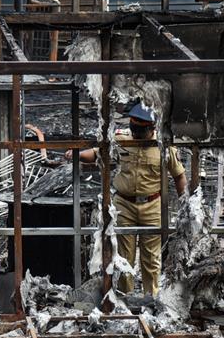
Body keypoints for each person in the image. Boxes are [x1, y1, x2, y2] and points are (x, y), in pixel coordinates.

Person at [66, 102, 188, 296]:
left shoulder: (164, 147)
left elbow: (179, 176)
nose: (136, 135)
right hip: (125, 205)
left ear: (152, 128)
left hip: (152, 205)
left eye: (141, 131)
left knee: (151, 258)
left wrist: (185, 206)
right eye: (134, 129)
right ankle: (126, 298)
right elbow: (98, 154)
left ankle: (151, 298)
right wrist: (76, 154)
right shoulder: (122, 140)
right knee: (124, 257)